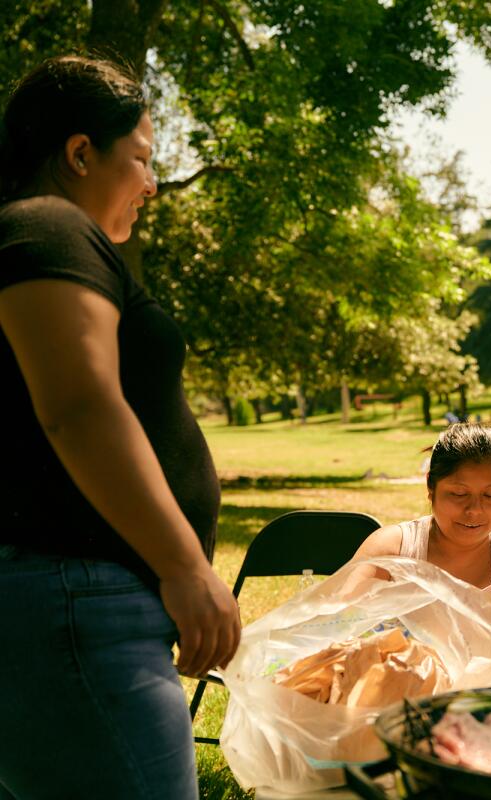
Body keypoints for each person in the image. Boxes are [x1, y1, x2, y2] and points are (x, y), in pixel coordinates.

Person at [0, 56, 240, 798]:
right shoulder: (47, 226)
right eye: (139, 157)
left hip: (72, 610)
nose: (152, 182)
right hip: (78, 607)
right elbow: (80, 405)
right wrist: (185, 566)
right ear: (79, 153)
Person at [349, 423, 491, 649]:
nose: (474, 509)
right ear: (431, 486)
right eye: (459, 494)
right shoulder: (391, 550)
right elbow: (333, 623)